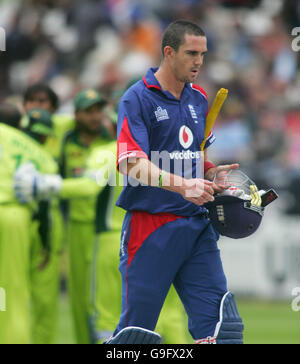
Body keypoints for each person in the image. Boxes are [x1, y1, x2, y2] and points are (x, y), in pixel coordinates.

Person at [110, 20, 243, 344]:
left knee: (223, 331)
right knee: (134, 338)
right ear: (169, 52)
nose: (199, 61)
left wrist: (210, 173)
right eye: (191, 53)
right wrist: (184, 187)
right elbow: (130, 165)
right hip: (151, 227)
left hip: (197, 226)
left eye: (203, 54)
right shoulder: (137, 98)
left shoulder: (198, 98)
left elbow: (193, 157)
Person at [0, 107, 58, 344]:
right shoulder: (45, 159)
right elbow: (44, 213)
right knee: (13, 296)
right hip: (15, 218)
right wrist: (45, 245)